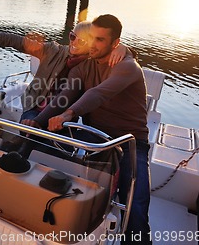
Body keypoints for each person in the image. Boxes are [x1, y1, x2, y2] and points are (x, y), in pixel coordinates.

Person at [28, 14, 151, 245]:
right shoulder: (83, 68)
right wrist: (38, 121)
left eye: (101, 40)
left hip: (130, 143)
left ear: (116, 44)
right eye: (91, 38)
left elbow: (98, 94)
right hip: (95, 138)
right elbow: (63, 98)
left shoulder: (127, 66)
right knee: (38, 144)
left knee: (135, 206)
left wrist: (68, 115)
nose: (93, 45)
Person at [0, 22, 127, 126]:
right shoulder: (52, 50)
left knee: (55, 147)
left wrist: (124, 49)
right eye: (72, 36)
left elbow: (117, 55)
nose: (74, 43)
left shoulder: (93, 63)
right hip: (34, 105)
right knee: (29, 131)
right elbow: (16, 41)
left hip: (63, 114)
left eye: (81, 40)